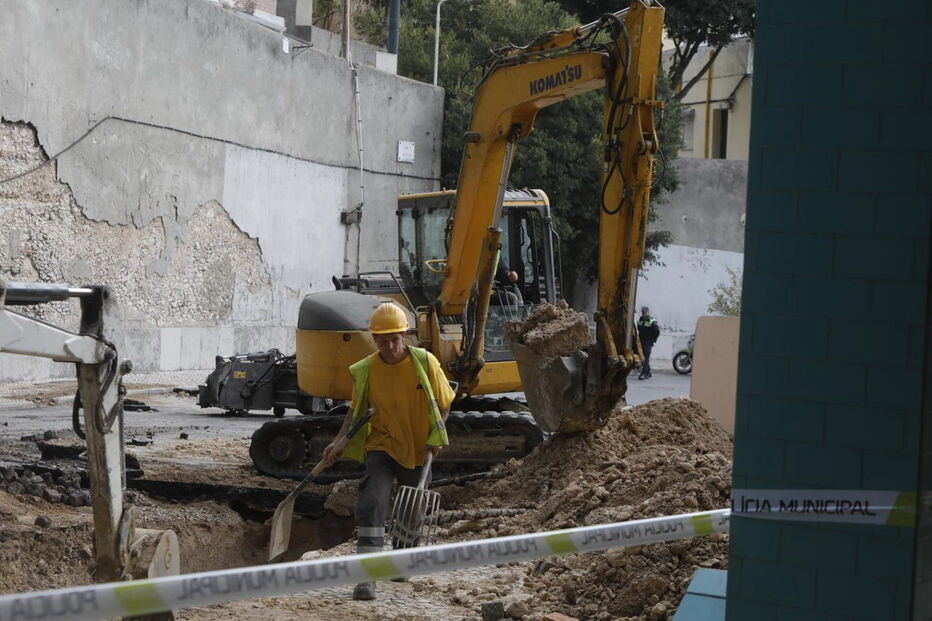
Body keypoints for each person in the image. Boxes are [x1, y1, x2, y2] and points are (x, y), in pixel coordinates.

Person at [321, 302, 455, 601]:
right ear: (375, 339)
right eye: (383, 340)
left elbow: (444, 405)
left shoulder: (425, 361)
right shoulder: (368, 369)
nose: (390, 345)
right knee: (371, 501)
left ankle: (401, 561)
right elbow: (355, 412)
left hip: (419, 446)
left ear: (404, 335)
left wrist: (438, 434)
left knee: (412, 509)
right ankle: (366, 577)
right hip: (382, 444)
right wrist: (339, 439)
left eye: (395, 338)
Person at [636, 306, 660, 380]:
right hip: (641, 341)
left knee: (646, 358)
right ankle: (648, 372)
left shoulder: (652, 321)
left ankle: (644, 373)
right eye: (643, 312)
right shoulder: (640, 320)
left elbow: (657, 332)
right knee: (642, 357)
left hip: (648, 342)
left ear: (648, 312)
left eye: (645, 312)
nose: (644, 314)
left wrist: (653, 340)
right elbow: (639, 329)